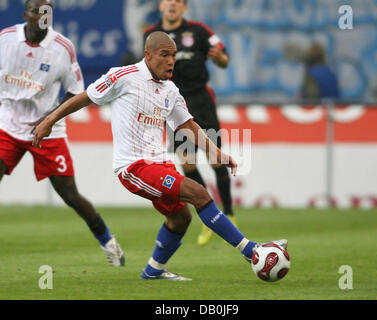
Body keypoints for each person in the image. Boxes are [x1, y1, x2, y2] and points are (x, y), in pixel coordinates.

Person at [32, 31, 287, 281]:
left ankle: (153, 271)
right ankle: (251, 250)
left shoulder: (170, 89)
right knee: (198, 192)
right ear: (148, 55)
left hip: (159, 163)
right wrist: (50, 120)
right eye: (164, 55)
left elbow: (187, 125)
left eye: (173, 56)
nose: (170, 61)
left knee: (181, 218)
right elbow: (84, 97)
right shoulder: (123, 76)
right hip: (133, 167)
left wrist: (216, 152)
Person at [0, 0, 125, 266]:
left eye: (48, 12)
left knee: (70, 195)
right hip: (9, 124)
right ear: (26, 15)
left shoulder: (62, 48)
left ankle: (107, 241)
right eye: (37, 11)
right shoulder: (6, 40)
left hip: (48, 129)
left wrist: (50, 118)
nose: (42, 16)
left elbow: (75, 91)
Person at [143, 0, 236, 246]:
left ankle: (230, 215)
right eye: (168, 1)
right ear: (161, 6)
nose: (172, 5)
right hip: (172, 105)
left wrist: (220, 58)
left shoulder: (199, 31)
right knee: (188, 164)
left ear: (184, 8)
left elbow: (224, 59)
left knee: (215, 158)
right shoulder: (151, 36)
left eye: (178, 1)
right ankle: (211, 218)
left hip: (201, 101)